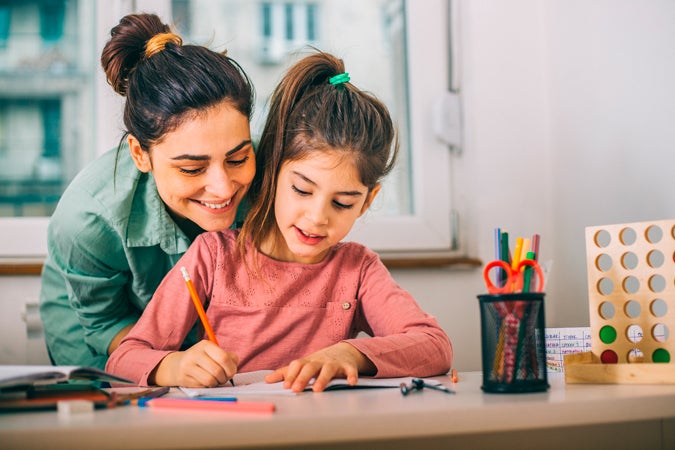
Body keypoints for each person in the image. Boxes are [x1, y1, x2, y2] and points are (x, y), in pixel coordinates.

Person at [106, 51, 453, 392]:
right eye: (302, 190)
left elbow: (435, 346)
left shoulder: (358, 270)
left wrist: (349, 353)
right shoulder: (213, 257)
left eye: (342, 202)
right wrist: (173, 366)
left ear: (367, 202)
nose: (317, 218)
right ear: (272, 173)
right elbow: (123, 358)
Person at [39, 13, 256, 370]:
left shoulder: (275, 175)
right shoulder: (87, 219)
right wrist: (169, 363)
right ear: (141, 154)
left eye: (238, 158)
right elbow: (104, 323)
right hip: (103, 329)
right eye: (191, 168)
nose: (222, 187)